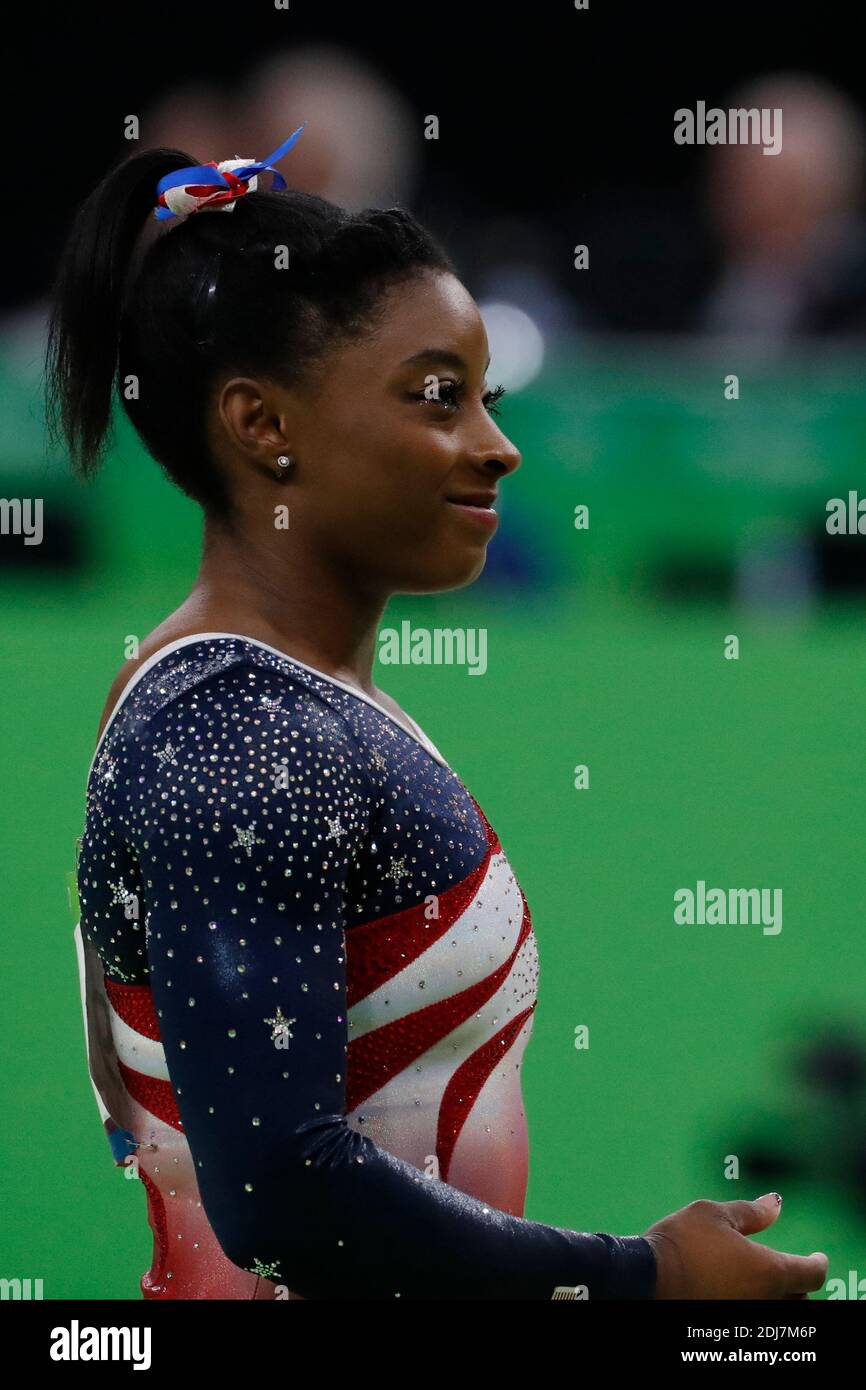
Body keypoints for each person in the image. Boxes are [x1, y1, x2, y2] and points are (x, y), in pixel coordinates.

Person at [47, 129, 829, 1301]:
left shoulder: (287, 703)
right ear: (264, 428)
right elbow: (279, 1188)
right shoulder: (239, 732)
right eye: (435, 399)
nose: (497, 448)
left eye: (485, 398)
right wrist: (643, 1281)